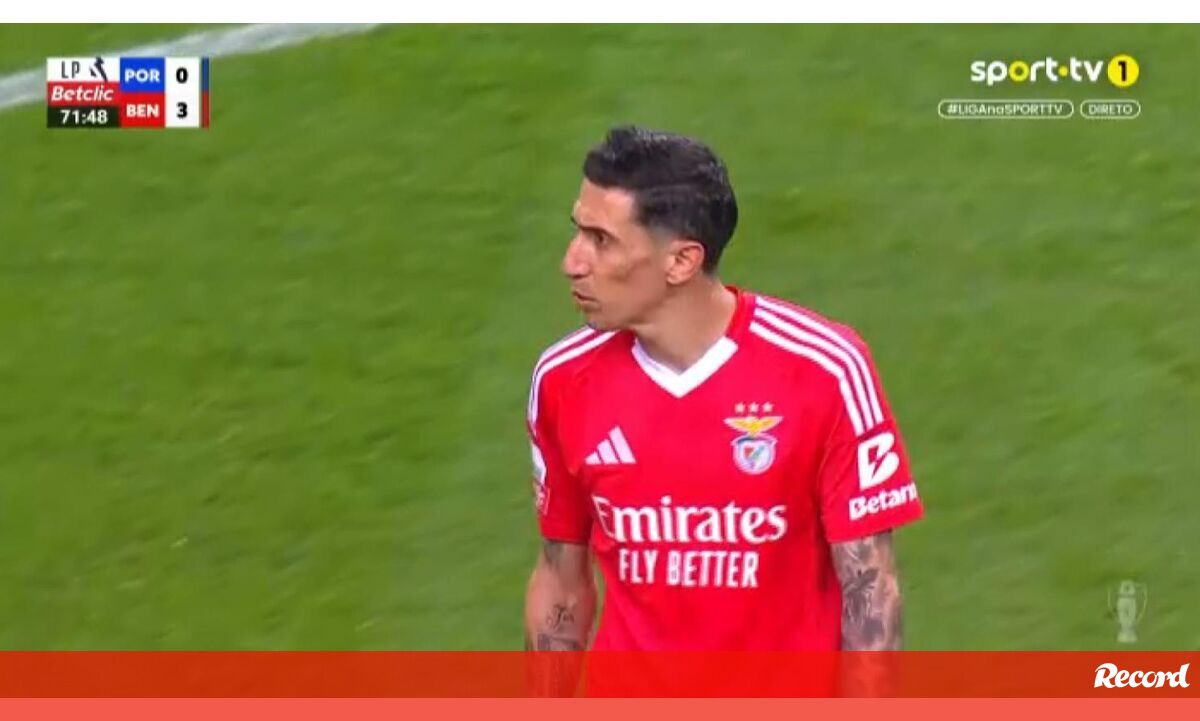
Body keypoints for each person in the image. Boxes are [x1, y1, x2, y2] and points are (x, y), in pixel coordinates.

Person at [523, 126, 923, 657]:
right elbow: (561, 579)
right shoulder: (562, 379)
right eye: (578, 232)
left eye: (601, 241)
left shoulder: (824, 371)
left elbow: (869, 590)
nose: (572, 262)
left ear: (681, 262)